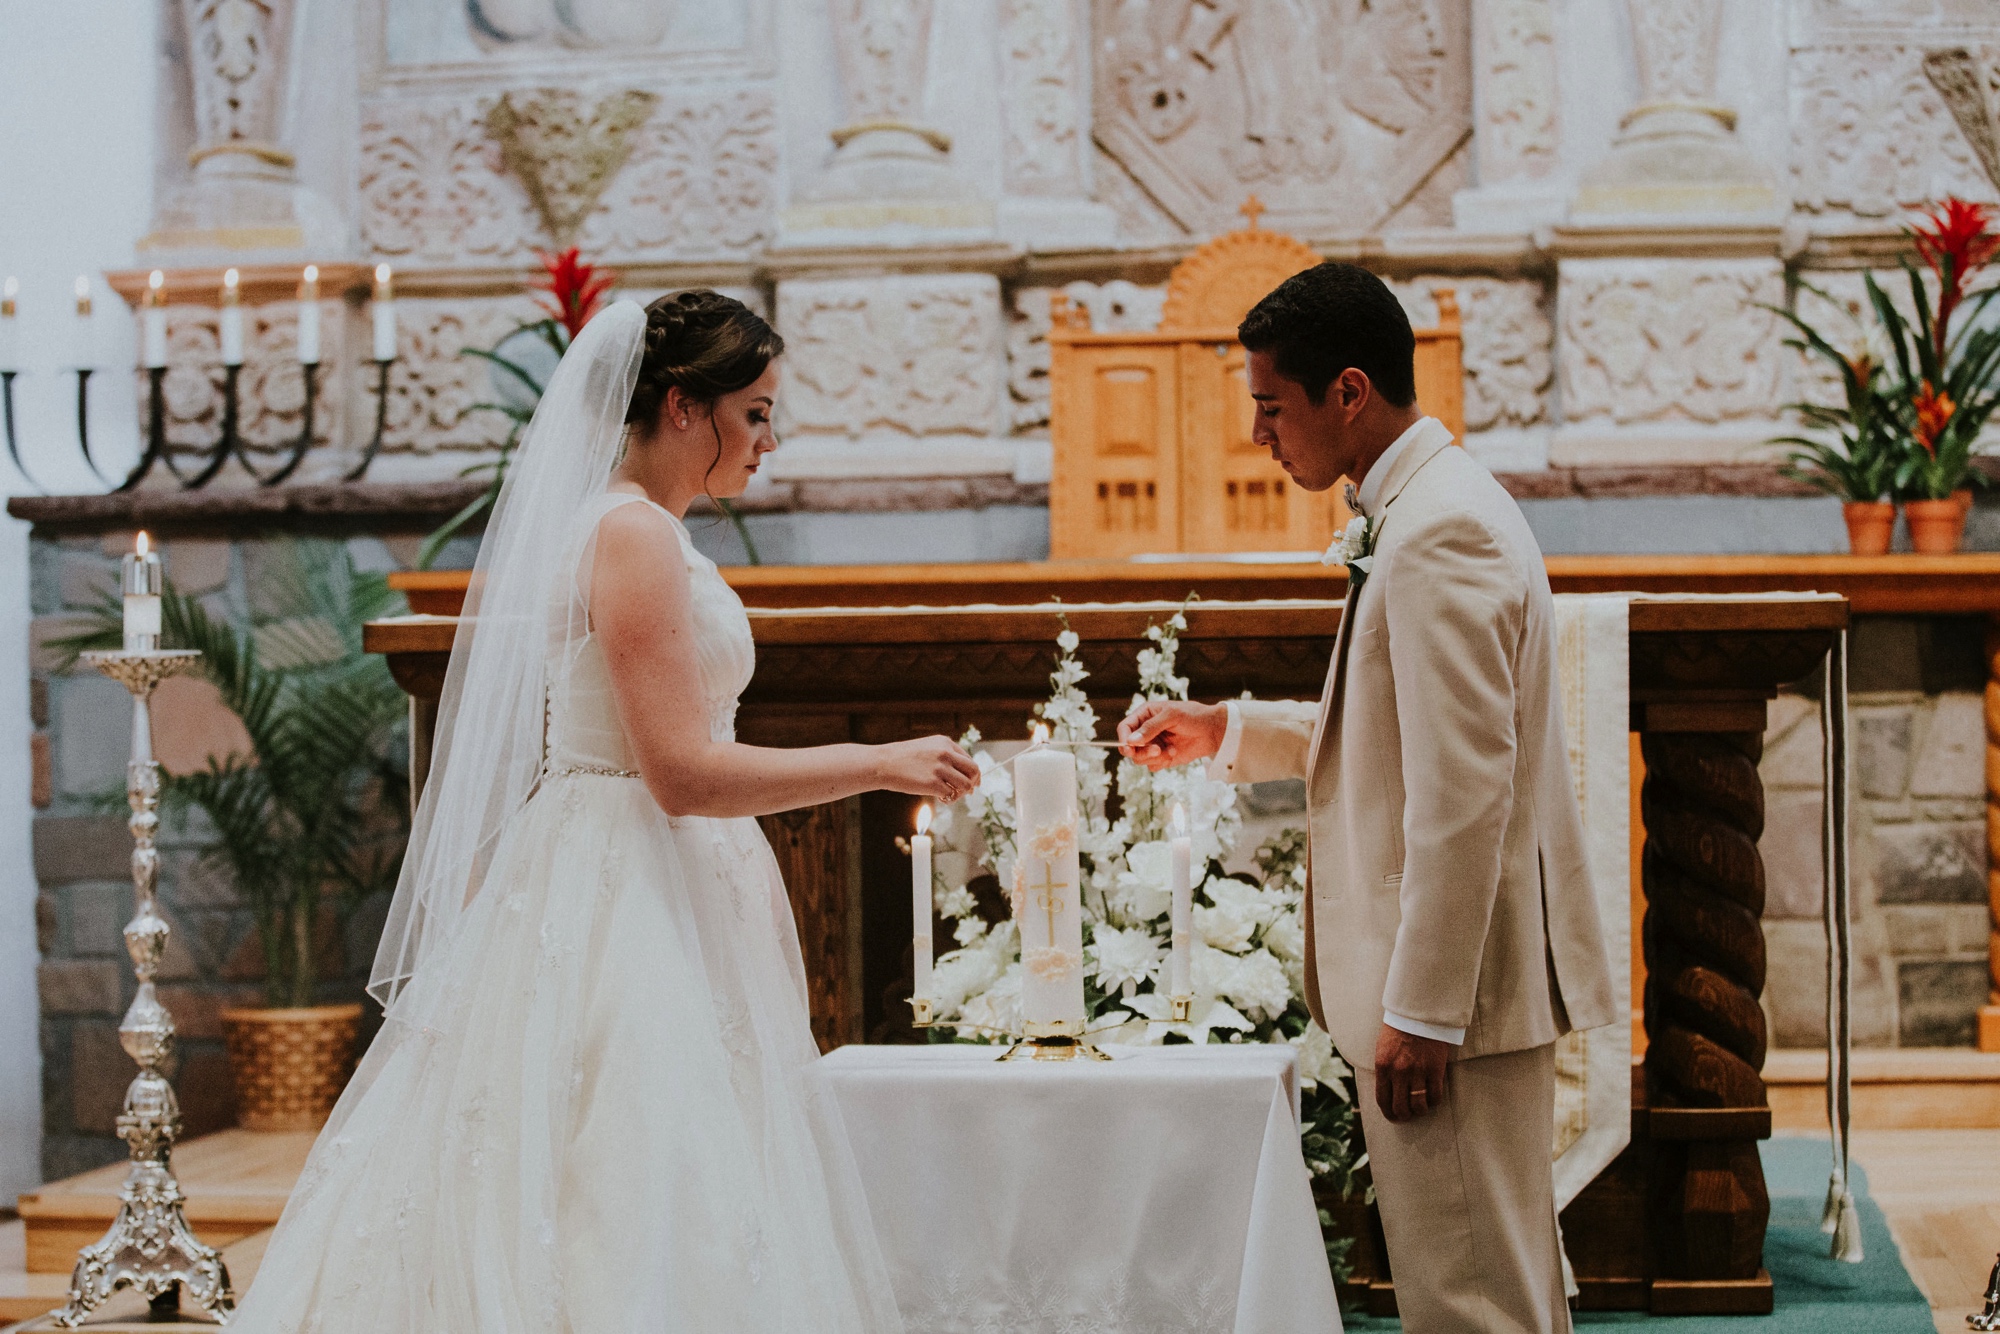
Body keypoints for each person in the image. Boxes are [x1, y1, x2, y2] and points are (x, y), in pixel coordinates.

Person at [230, 292, 976, 1331]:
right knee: (628, 1170)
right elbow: (677, 771)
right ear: (682, 406)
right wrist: (876, 759)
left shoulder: (646, 529)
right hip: (626, 880)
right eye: (753, 411)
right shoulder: (632, 535)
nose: (768, 439)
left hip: (650, 871)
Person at [1118, 263, 1615, 1334]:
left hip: (1455, 1007)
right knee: (1488, 1290)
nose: (1258, 433)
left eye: (1267, 404)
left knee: (1472, 1303)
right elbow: (1403, 739)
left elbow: (1463, 791)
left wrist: (1422, 1009)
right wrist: (1228, 731)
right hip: (1459, 999)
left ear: (1346, 391)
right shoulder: (1423, 505)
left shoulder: (1439, 529)